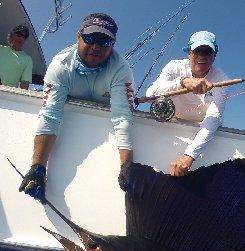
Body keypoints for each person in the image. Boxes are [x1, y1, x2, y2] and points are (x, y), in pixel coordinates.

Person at [19, 13, 135, 203]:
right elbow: (50, 115)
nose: (96, 47)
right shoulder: (60, 65)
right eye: (90, 38)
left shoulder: (121, 70)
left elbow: (122, 118)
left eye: (104, 41)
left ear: (113, 45)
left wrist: (127, 166)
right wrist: (37, 167)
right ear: (78, 36)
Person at [145, 31, 228, 177]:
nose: (202, 56)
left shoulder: (222, 79)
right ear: (189, 53)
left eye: (208, 51)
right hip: (171, 124)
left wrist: (189, 156)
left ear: (214, 55)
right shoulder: (174, 67)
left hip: (202, 130)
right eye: (197, 50)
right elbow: (150, 95)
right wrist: (182, 82)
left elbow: (214, 117)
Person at [0, 25, 33, 89]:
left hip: (6, 96)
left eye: (24, 37)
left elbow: (24, 85)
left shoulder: (27, 59)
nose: (21, 39)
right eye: (19, 35)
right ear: (11, 36)